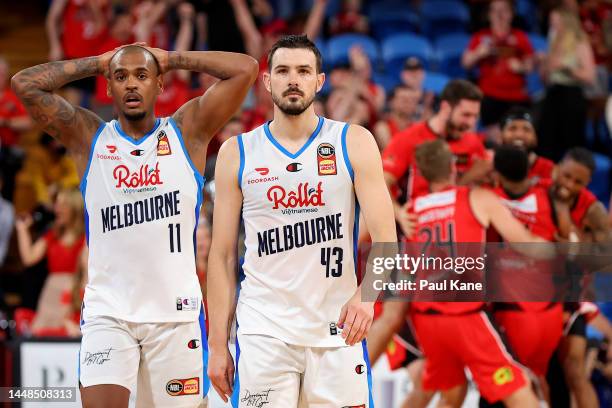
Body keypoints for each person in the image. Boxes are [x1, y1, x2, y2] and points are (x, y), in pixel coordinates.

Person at [11, 42, 257, 407]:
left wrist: (172, 59)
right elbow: (24, 83)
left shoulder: (186, 132)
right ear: (108, 87)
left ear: (159, 84)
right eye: (121, 77)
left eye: (142, 75)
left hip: (175, 317)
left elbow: (246, 68)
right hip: (109, 315)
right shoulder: (89, 137)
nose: (131, 84)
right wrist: (98, 62)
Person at [207, 34, 396, 407]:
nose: (293, 79)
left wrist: (366, 297)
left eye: (303, 71)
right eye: (283, 71)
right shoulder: (237, 151)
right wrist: (217, 345)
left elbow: (387, 239)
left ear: (319, 81)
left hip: (337, 328)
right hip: (264, 330)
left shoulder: (352, 141)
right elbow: (222, 256)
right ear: (267, 81)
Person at [405, 139, 547, 407]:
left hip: (426, 318)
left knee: (452, 394)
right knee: (520, 386)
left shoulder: (411, 210)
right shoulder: (476, 198)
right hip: (465, 317)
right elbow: (525, 244)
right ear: (452, 166)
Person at [487, 146, 566, 405]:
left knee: (511, 387)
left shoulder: (485, 198)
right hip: (551, 312)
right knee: (540, 379)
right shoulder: (549, 195)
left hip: (516, 314)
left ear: (497, 172)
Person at [381, 79, 489, 239]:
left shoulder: (473, 143)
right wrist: (398, 214)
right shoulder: (407, 139)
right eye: (466, 115)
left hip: (458, 231)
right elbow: (381, 183)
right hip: (417, 229)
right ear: (445, 108)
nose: (471, 123)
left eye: (475, 117)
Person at [15, 187, 87, 334]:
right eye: (56, 205)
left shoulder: (84, 239)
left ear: (74, 208)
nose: (57, 209)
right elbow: (29, 258)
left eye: (62, 205)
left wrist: (79, 300)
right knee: (41, 333)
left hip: (71, 294)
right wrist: (22, 230)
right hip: (50, 293)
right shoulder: (52, 234)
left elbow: (86, 276)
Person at [462, 0, 534, 143]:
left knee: (520, 134)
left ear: (511, 14)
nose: (500, 15)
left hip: (516, 98)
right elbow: (465, 63)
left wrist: (522, 66)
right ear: (489, 15)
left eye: (504, 10)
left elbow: (530, 64)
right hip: (489, 97)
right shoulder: (481, 37)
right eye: (495, 11)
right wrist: (478, 53)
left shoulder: (520, 37)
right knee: (493, 137)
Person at [537, 7, 596, 162]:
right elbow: (545, 79)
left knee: (572, 142)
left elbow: (589, 76)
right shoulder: (553, 41)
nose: (554, 26)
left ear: (567, 22)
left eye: (557, 22)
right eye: (551, 23)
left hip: (572, 95)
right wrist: (543, 66)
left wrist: (565, 67)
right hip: (553, 93)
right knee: (546, 140)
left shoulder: (580, 42)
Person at [499, 107, 555, 184]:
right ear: (500, 135)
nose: (519, 135)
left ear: (535, 138)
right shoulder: (491, 167)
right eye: (512, 128)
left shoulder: (549, 169)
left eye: (526, 129)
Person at [373, 84, 421, 150]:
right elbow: (392, 152)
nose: (408, 103)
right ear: (391, 102)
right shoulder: (382, 127)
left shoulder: (417, 128)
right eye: (404, 99)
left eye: (412, 100)